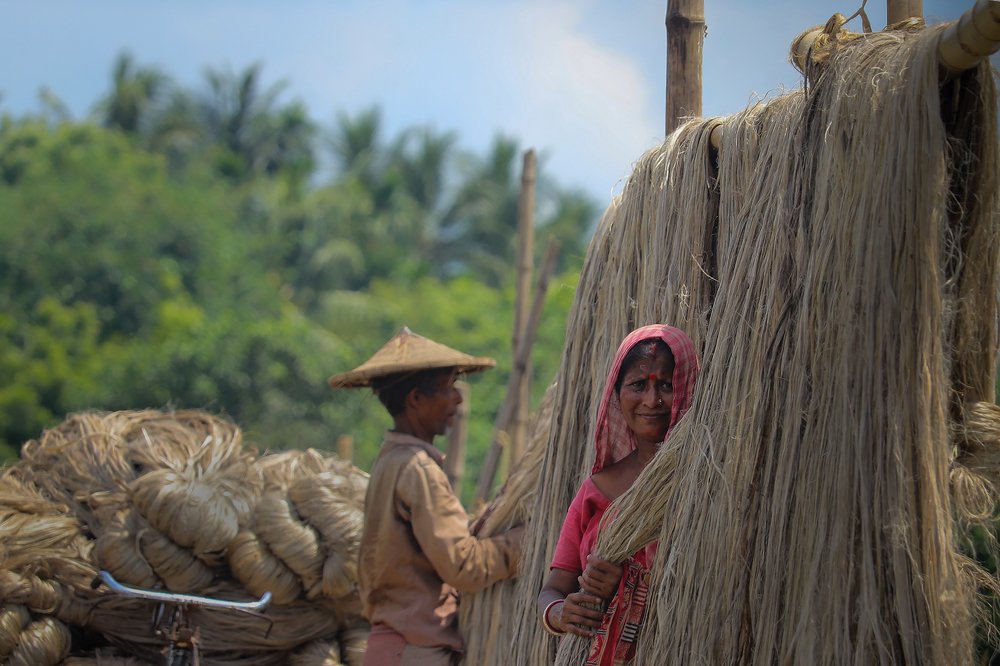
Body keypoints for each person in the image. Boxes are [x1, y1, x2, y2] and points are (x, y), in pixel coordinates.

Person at [328, 326, 524, 666]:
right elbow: (463, 565)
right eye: (448, 388)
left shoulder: (390, 460)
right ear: (415, 399)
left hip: (396, 644)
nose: (458, 399)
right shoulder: (418, 470)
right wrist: (525, 541)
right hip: (414, 651)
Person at [537, 324, 699, 665]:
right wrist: (559, 613)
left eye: (667, 386)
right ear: (617, 393)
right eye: (638, 385)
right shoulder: (596, 490)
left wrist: (627, 581)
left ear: (687, 388)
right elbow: (554, 587)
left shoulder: (700, 481)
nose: (652, 401)